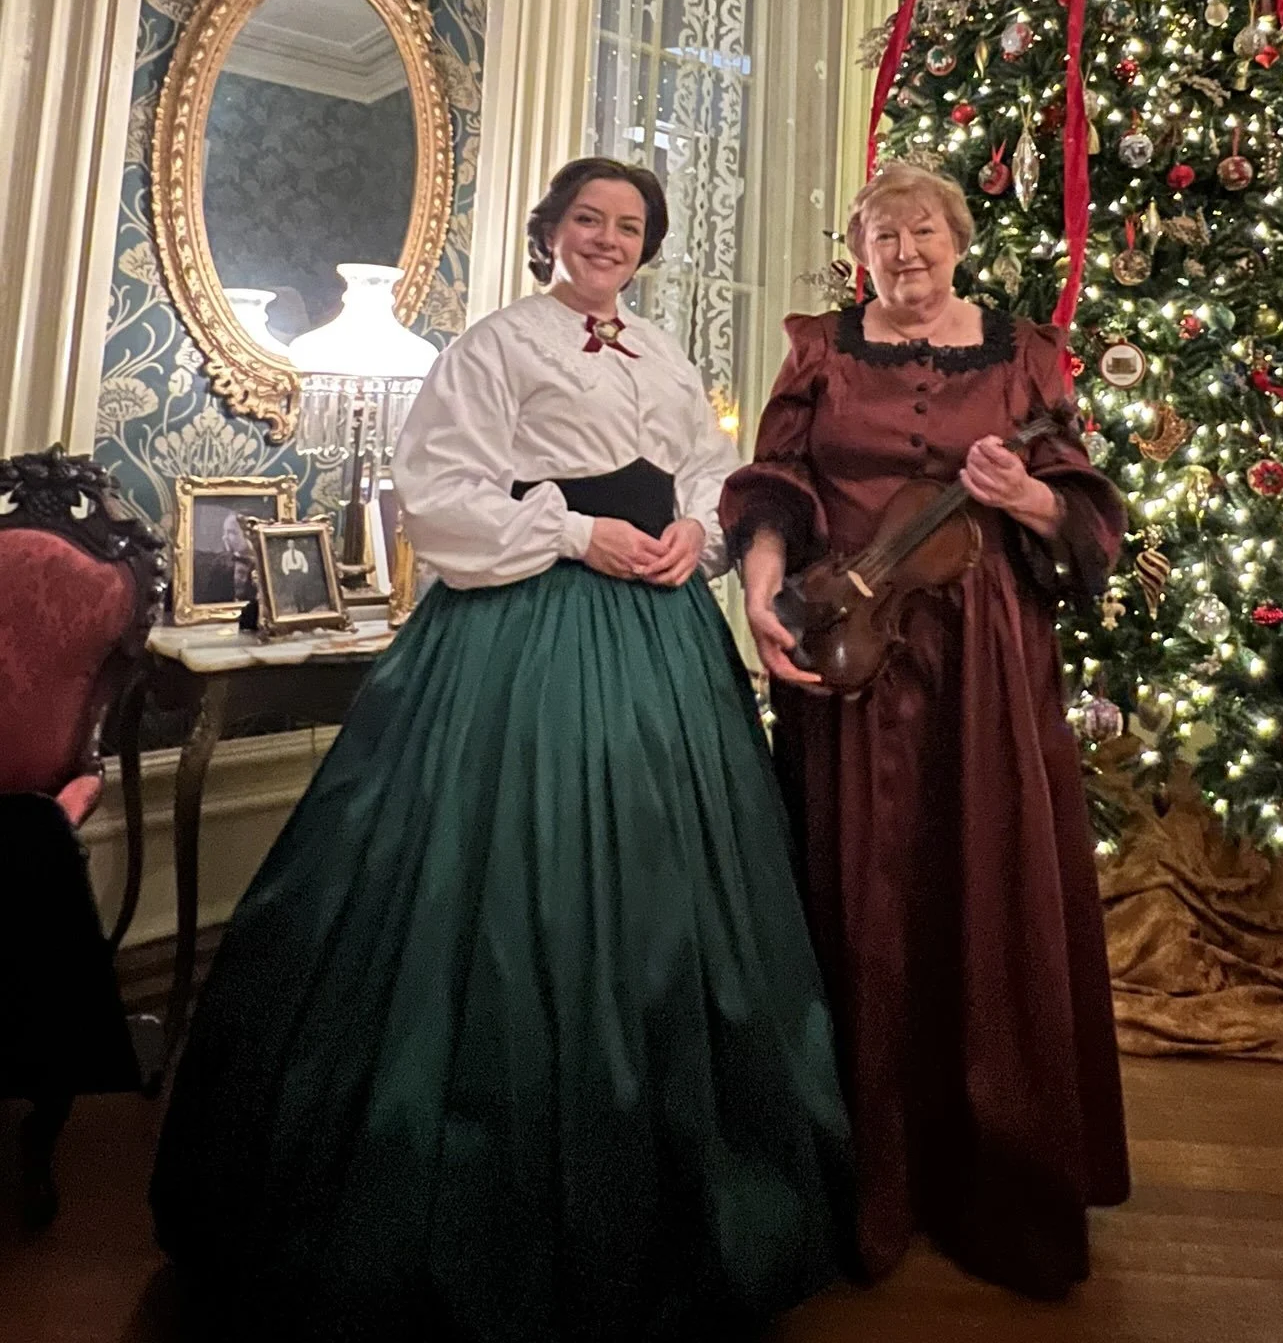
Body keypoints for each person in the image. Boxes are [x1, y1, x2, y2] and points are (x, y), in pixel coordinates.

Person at [152, 157, 852, 1343]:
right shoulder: (495, 345)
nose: (610, 239)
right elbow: (442, 488)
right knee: (487, 880)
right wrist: (581, 532)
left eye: (630, 226)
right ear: (550, 232)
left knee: (670, 883)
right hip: (523, 622)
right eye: (590, 219)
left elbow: (702, 463)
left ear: (648, 245)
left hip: (664, 637)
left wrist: (692, 528)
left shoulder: (664, 352)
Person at [723, 161, 1129, 1301]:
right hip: (844, 638)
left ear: (959, 241)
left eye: (922, 232)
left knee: (984, 882)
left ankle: (997, 1177)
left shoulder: (1023, 356)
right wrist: (761, 589)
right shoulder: (820, 348)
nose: (904, 253)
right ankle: (861, 1174)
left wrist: (1025, 497)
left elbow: (1084, 507)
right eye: (882, 235)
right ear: (860, 248)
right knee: (854, 892)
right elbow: (777, 482)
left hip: (985, 658)